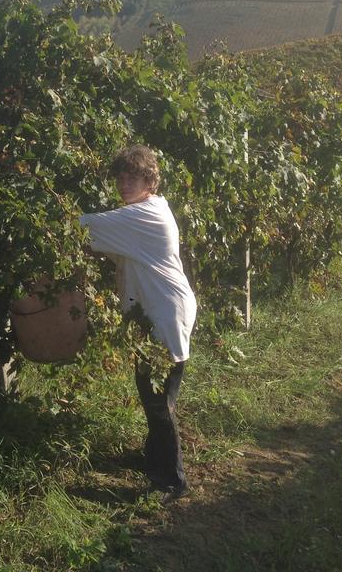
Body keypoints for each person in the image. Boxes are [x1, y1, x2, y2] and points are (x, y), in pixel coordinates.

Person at [79, 145, 197, 499]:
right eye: (121, 176)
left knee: (160, 401)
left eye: (133, 177)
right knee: (153, 393)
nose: (124, 182)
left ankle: (170, 480)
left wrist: (44, 223)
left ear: (150, 181)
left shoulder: (143, 215)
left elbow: (86, 227)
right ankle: (154, 457)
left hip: (163, 315)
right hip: (156, 312)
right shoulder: (144, 210)